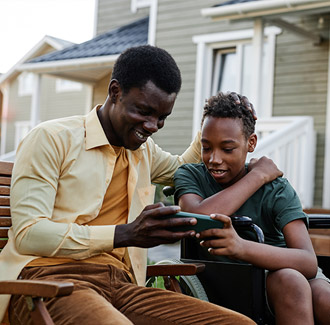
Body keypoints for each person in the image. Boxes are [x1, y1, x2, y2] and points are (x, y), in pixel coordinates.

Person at [0, 45, 281, 325]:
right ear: (115, 92)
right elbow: (29, 232)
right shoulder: (52, 139)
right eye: (144, 111)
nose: (153, 125)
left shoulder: (142, 151)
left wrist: (215, 124)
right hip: (48, 280)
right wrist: (125, 234)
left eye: (162, 117)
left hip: (121, 285)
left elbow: (184, 169)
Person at [174, 91, 330, 325]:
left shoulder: (275, 188)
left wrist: (241, 247)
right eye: (206, 148)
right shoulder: (191, 175)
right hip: (233, 278)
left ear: (251, 143)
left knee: (323, 298)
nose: (214, 159)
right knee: (292, 283)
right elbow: (197, 217)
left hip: (283, 264)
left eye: (227, 149)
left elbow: (307, 262)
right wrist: (256, 176)